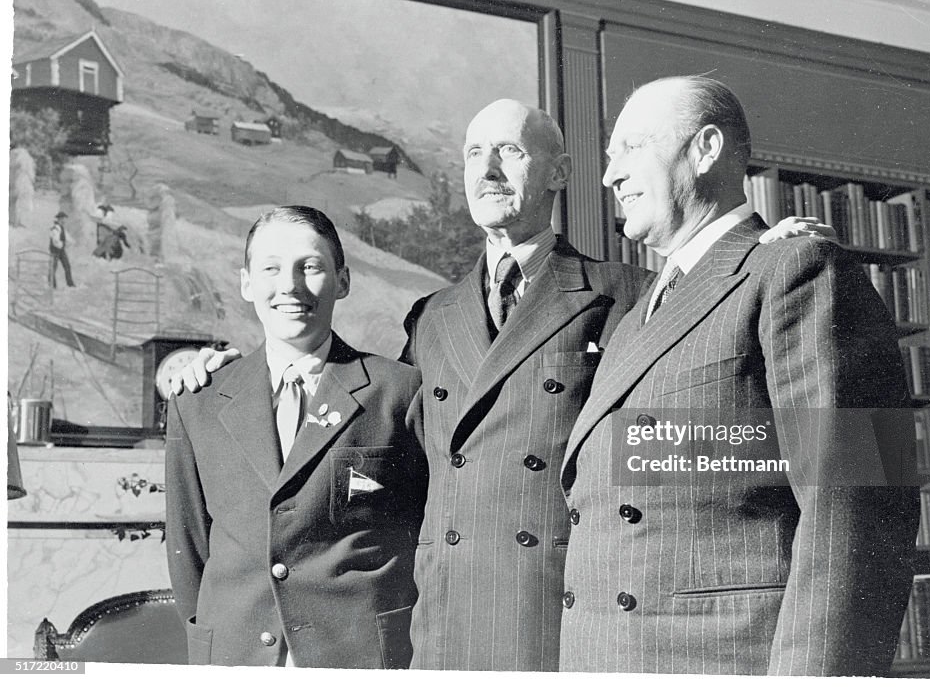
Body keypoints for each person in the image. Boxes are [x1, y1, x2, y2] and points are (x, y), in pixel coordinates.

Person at [171, 101, 832, 671]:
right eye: (472, 155)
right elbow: (380, 445)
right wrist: (207, 367)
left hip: (563, 610)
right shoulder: (430, 319)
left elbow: (712, 438)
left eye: (510, 152)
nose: (487, 172)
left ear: (560, 174)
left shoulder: (626, 294)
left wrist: (761, 252)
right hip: (445, 623)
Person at [557, 76, 919, 675]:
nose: (609, 175)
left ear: (705, 149)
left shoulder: (794, 270)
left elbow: (854, 508)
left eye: (632, 147)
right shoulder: (632, 321)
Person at [164, 205, 426, 668]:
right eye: (270, 268)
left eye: (310, 266)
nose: (289, 285)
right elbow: (189, 553)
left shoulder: (398, 392)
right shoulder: (198, 401)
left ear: (342, 281)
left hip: (360, 656)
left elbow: (421, 539)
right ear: (246, 282)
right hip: (235, 655)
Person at [48, 211, 75, 287]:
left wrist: (72, 242)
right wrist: (63, 244)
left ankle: (70, 284)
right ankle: (52, 285)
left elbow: (67, 237)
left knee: (67, 266)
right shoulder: (55, 229)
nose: (64, 221)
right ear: (59, 219)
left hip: (61, 251)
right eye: (63, 219)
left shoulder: (62, 228)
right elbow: (55, 242)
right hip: (55, 251)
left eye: (65, 219)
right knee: (53, 268)